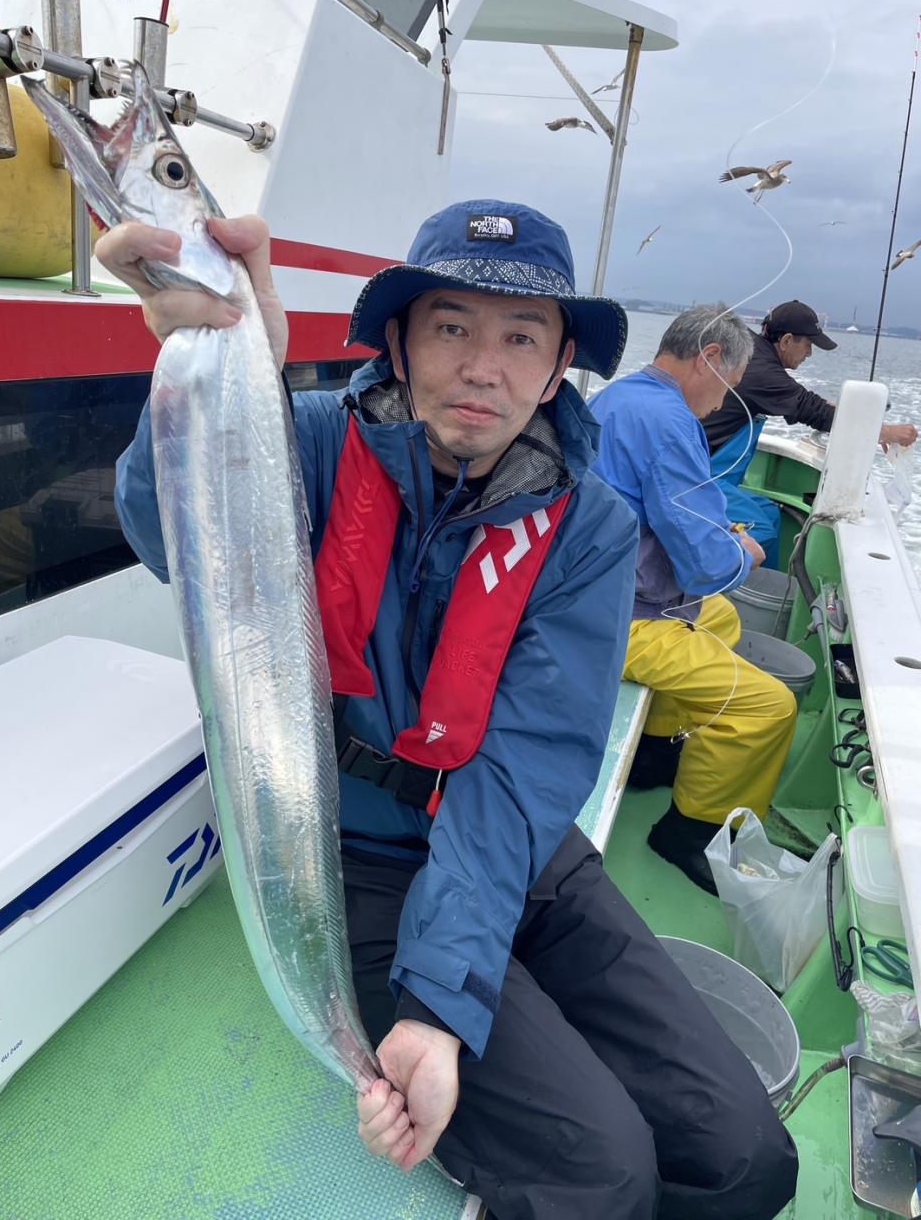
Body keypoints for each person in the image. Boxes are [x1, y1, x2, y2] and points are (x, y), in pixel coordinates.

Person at [103, 203, 798, 1220]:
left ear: (558, 368)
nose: (483, 367)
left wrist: (441, 994)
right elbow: (175, 536)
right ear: (397, 344)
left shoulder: (590, 524)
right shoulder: (304, 440)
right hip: (356, 864)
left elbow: (525, 765)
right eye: (452, 327)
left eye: (520, 337)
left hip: (522, 851)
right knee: (602, 1176)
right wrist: (202, 363)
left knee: (748, 1158)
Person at [590, 305, 798, 895]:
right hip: (617, 618)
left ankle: (654, 752)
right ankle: (689, 831)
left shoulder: (623, 396)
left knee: (722, 617)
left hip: (601, 589)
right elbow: (707, 567)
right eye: (730, 385)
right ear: (708, 358)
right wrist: (744, 552)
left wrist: (715, 538)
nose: (726, 401)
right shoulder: (670, 422)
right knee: (770, 707)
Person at [702, 300, 918, 562]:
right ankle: (714, 582)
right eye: (808, 344)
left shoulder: (755, 357)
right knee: (762, 529)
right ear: (786, 341)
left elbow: (811, 403)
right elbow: (813, 410)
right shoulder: (763, 371)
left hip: (714, 471)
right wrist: (888, 432)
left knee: (769, 513)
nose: (810, 353)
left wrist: (873, 426)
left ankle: (765, 581)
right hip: (701, 476)